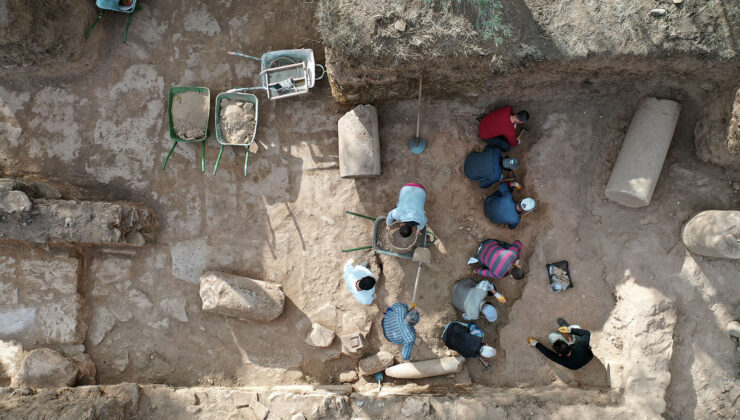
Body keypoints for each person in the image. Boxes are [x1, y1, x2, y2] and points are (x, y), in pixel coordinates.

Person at [528, 318, 593, 370]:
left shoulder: (562, 360)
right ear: (567, 344)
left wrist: (536, 344)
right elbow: (586, 333)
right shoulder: (580, 345)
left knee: (551, 335)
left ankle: (567, 328)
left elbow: (548, 353)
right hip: (587, 356)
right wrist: (570, 330)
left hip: (576, 365)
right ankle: (567, 328)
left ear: (559, 354)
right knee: (576, 327)